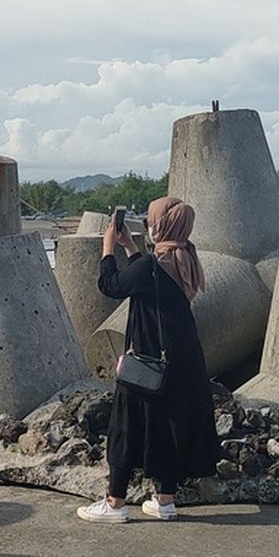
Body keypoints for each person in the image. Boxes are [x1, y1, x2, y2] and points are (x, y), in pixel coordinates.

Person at [77, 197, 219, 524]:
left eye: (153, 222)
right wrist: (131, 248)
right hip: (184, 361)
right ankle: (165, 501)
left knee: (126, 427)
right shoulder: (185, 257)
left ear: (160, 226)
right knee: (170, 425)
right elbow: (151, 281)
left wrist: (109, 247)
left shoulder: (151, 267)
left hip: (147, 359)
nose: (150, 226)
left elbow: (110, 285)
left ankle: (115, 504)